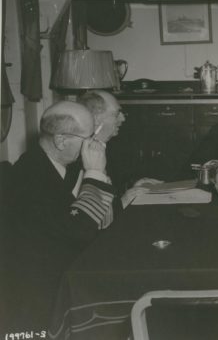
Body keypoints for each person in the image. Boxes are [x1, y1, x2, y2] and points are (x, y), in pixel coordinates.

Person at [1, 101, 117, 333]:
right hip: (34, 303)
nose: (96, 144)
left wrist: (95, 174)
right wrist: (94, 174)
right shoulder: (27, 179)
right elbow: (79, 232)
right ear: (61, 141)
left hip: (61, 280)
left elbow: (104, 223)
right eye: (90, 137)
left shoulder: (65, 167)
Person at [77, 90, 161, 207]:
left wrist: (134, 187)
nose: (123, 119)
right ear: (96, 119)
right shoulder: (78, 158)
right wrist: (124, 200)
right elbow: (90, 216)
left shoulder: (110, 149)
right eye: (117, 114)